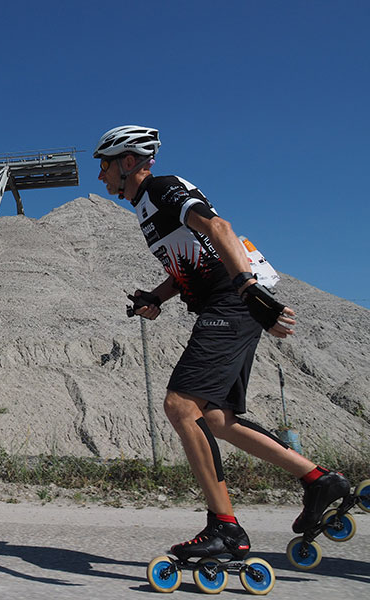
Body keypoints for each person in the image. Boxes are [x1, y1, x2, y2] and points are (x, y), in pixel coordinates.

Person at [93, 125, 350, 561]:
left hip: (231, 301)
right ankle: (318, 480)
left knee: (179, 406)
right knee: (216, 418)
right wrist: (155, 297)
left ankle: (226, 528)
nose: (100, 177)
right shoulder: (146, 208)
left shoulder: (160, 188)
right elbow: (190, 265)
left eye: (104, 166)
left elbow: (218, 227)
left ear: (128, 162)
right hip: (227, 300)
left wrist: (249, 291)